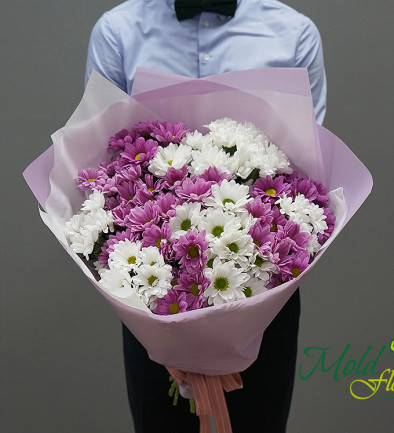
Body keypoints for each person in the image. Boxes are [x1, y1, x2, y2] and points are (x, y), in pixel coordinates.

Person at [85, 1, 327, 432]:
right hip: (150, 292)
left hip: (265, 284)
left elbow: (306, 165)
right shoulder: (118, 32)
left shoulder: (294, 34)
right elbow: (102, 157)